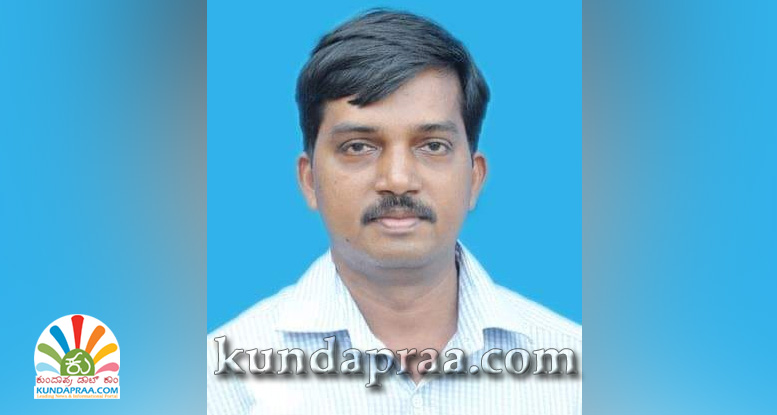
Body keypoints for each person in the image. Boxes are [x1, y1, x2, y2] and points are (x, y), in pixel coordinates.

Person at [208, 9, 581, 415]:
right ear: (310, 180)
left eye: (433, 145)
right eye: (358, 147)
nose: (398, 180)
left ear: (474, 179)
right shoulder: (222, 381)